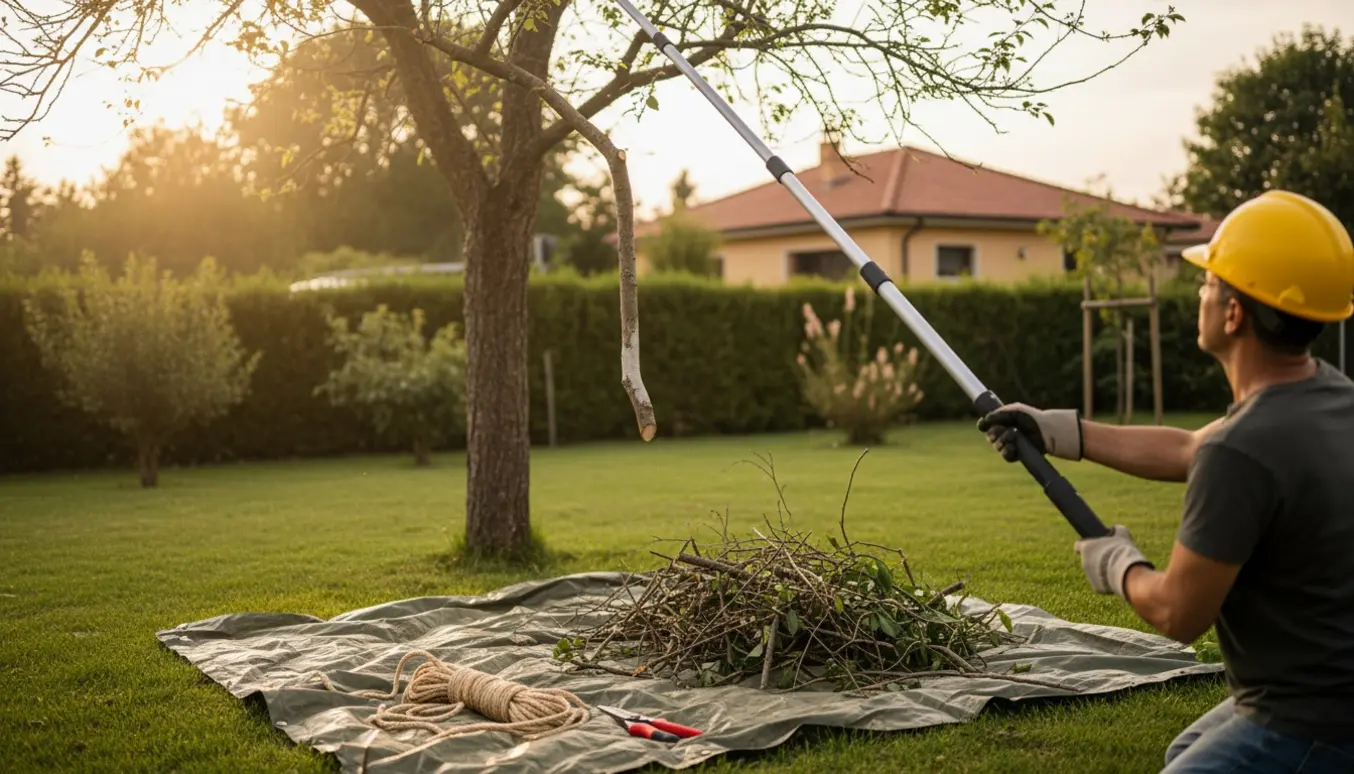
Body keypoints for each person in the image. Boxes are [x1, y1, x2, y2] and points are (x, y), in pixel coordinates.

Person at [976, 190, 1354, 773]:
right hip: (1321, 692)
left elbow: (1180, 613)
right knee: (1183, 750)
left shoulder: (1243, 450)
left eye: (1208, 283)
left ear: (1234, 313)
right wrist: (1057, 431)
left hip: (1309, 719)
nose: (1199, 293)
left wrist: (1118, 564)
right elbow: (1187, 448)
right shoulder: (1329, 395)